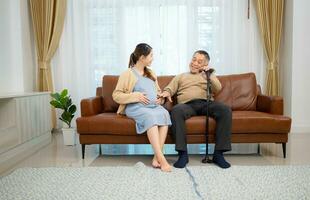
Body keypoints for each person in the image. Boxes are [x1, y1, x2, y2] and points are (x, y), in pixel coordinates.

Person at [159, 50, 232, 169]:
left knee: (225, 110)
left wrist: (209, 74)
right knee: (176, 111)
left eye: (199, 61)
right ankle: (183, 154)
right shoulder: (181, 76)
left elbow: (217, 88)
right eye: (194, 59)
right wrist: (166, 93)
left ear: (205, 64)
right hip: (187, 105)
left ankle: (218, 154)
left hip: (206, 103)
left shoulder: (208, 75)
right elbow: (169, 89)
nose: (195, 63)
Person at [112, 43, 172, 172]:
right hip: (136, 107)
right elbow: (116, 95)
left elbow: (158, 91)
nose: (153, 58)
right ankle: (162, 159)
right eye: (151, 56)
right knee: (151, 117)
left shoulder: (151, 73)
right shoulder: (127, 74)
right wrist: (134, 96)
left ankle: (156, 158)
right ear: (142, 57)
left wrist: (160, 99)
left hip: (153, 106)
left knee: (165, 114)